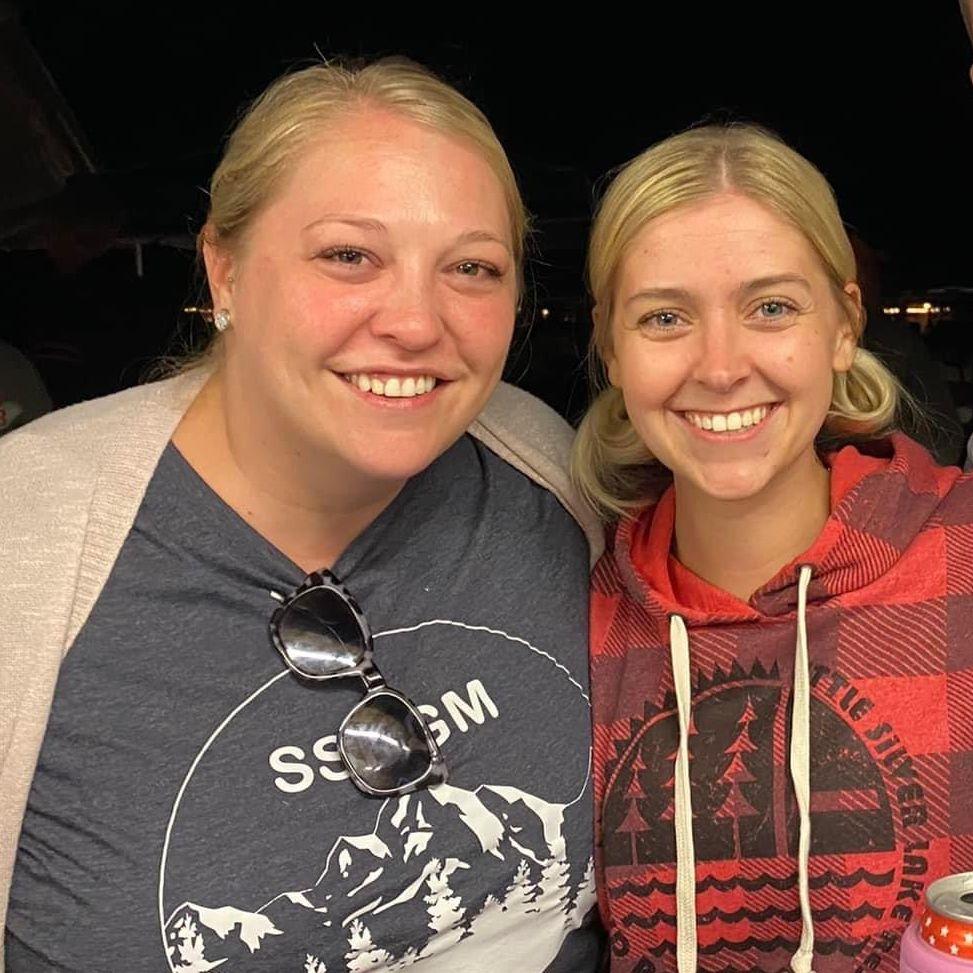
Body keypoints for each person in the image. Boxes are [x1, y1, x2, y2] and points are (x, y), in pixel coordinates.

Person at [0, 59, 604, 972]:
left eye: (471, 267)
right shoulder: (29, 534)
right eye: (349, 256)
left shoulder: (545, 475)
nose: (415, 322)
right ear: (225, 268)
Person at [572, 123, 973, 972]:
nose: (720, 367)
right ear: (611, 347)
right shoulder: (572, 608)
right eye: (665, 317)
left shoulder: (962, 552)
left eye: (771, 308)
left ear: (843, 324)